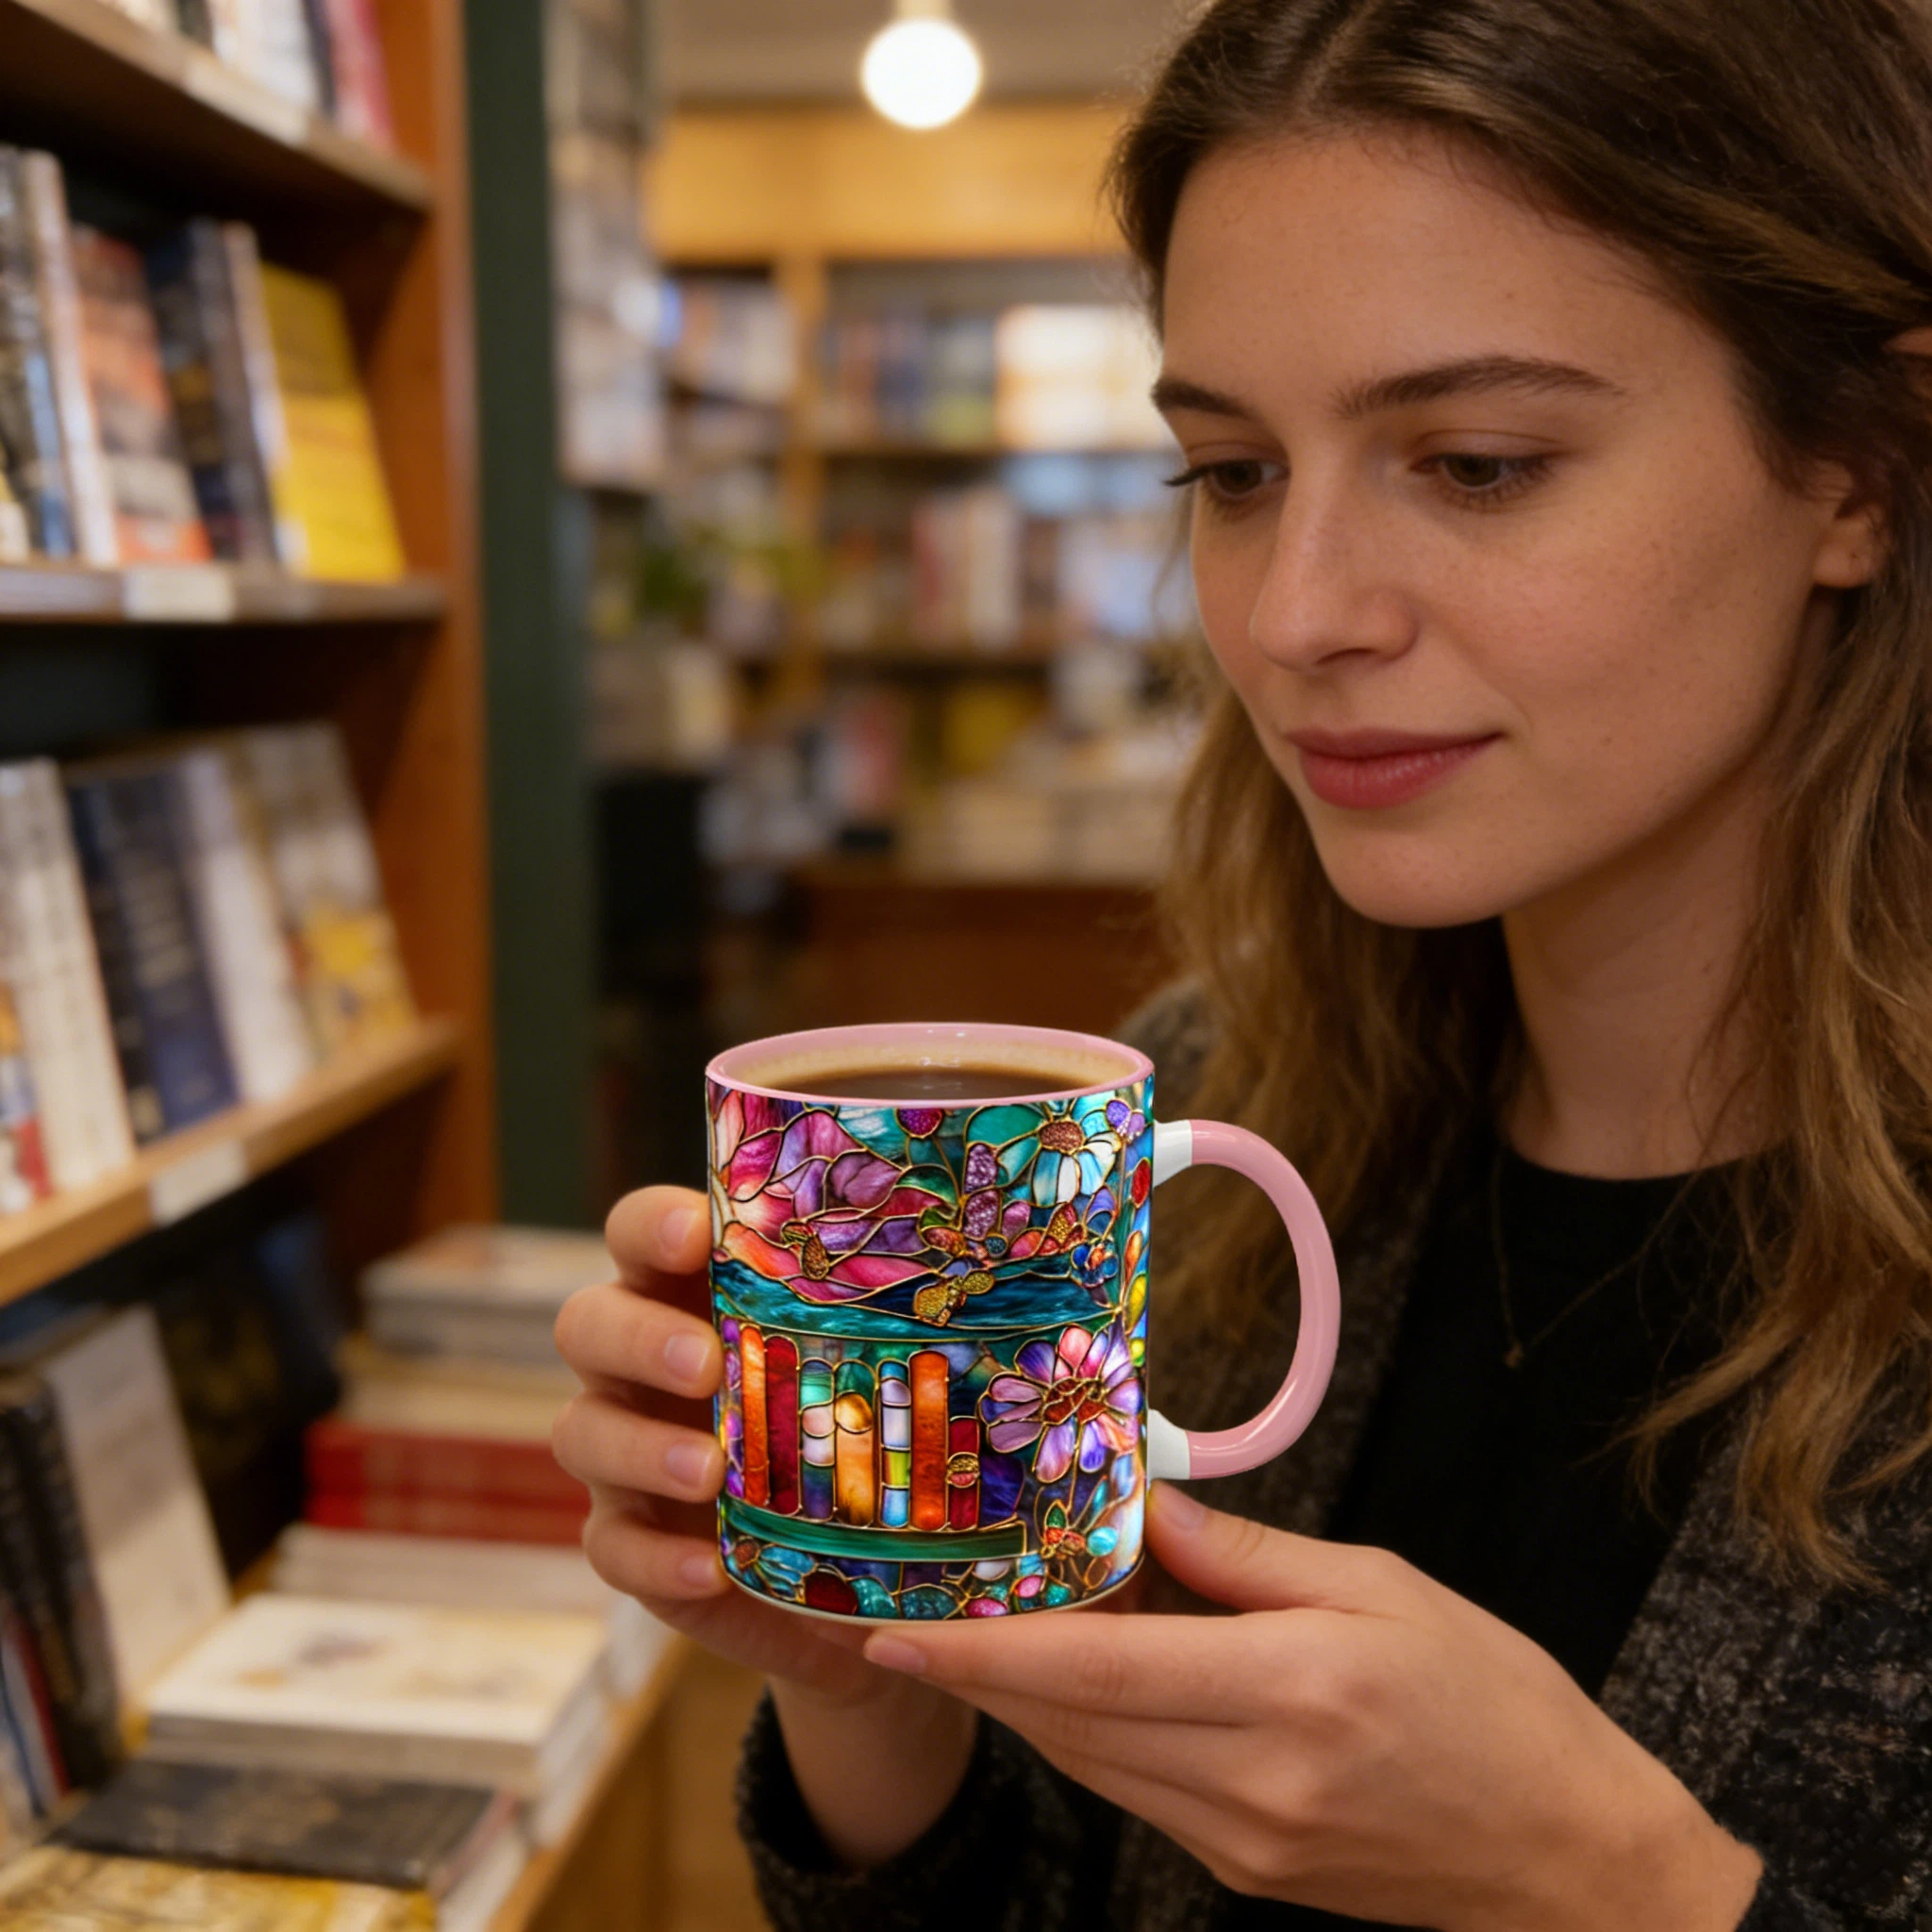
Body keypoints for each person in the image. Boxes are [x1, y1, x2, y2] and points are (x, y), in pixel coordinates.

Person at [551, 0, 1932, 1922]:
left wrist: (1615, 1885)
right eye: (1229, 472)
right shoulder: (1194, 1122)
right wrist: (868, 1674)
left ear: (1856, 474)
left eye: (1471, 462)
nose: (1291, 617)